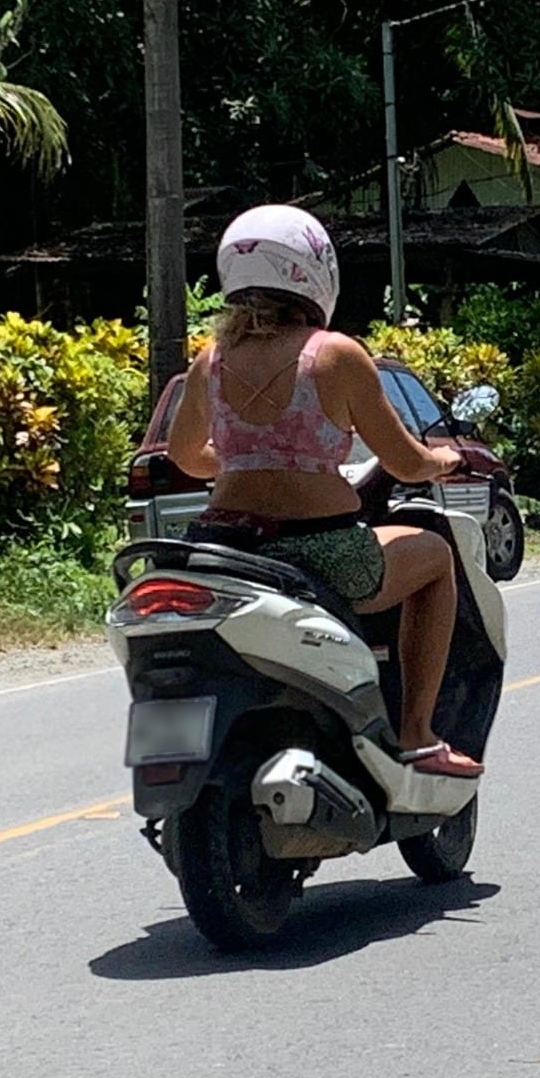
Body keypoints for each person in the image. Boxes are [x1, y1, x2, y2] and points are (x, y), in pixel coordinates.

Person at [168, 205, 483, 778]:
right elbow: (405, 462)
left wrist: (244, 459)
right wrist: (444, 459)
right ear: (313, 272)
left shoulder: (208, 363)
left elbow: (186, 457)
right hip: (323, 552)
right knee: (436, 557)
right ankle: (417, 733)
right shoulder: (335, 355)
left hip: (226, 549)